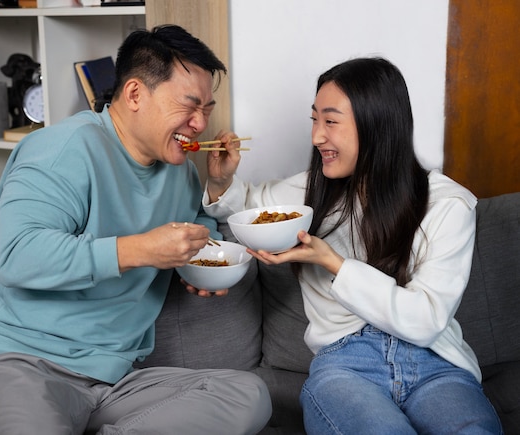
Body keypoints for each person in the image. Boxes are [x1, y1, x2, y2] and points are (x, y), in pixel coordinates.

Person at [0, 24, 271, 435]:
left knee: (247, 395)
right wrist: (141, 250)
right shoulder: (63, 149)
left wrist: (206, 245)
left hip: (114, 383)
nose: (199, 123)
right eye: (190, 105)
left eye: (207, 109)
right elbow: (17, 255)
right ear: (135, 94)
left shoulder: (180, 175)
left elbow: (199, 234)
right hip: (17, 363)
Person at [202, 57, 502, 434]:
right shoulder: (313, 190)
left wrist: (335, 264)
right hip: (346, 364)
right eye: (314, 119)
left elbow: (425, 321)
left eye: (330, 121)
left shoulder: (448, 205)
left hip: (436, 363)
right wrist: (220, 181)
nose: (316, 137)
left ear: (376, 124)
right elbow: (250, 206)